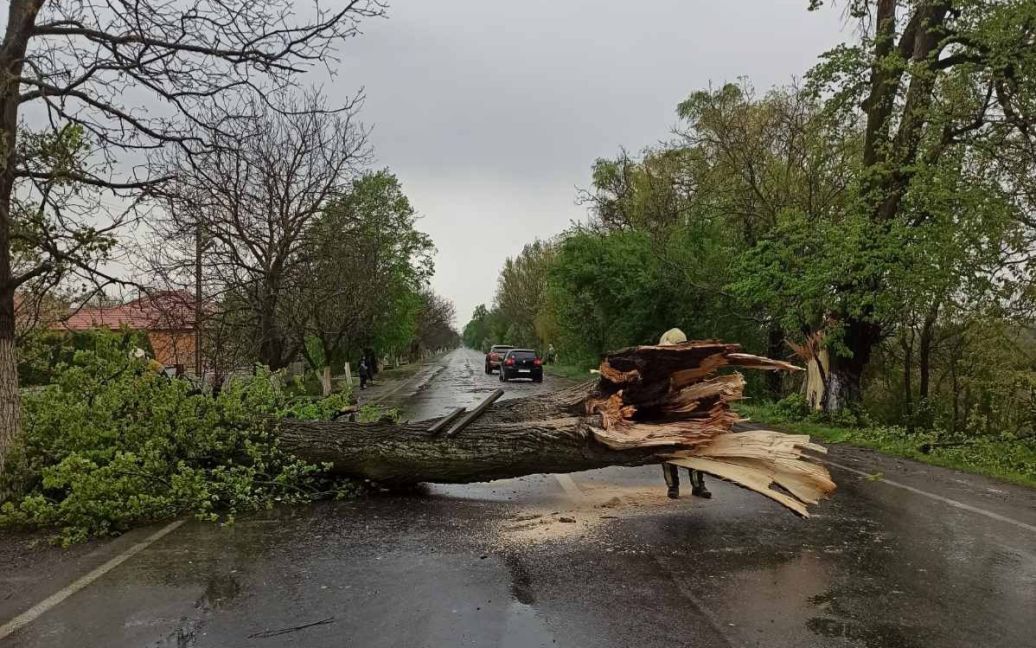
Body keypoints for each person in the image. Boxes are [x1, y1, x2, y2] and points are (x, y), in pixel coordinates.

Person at [656, 327, 712, 500]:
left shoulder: (692, 364)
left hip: (690, 412)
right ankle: (673, 487)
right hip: (668, 413)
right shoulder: (658, 366)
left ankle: (698, 485)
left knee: (694, 449)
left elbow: (702, 387)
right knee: (667, 450)